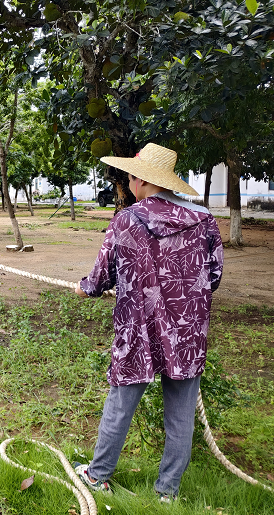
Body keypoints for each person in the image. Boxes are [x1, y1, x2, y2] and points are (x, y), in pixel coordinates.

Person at [73, 143, 224, 502]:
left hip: (138, 329)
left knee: (121, 402)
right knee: (181, 414)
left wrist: (85, 287)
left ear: (141, 180)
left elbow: (101, 276)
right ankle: (167, 492)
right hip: (187, 332)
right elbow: (215, 275)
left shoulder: (126, 220)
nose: (128, 181)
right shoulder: (204, 220)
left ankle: (98, 476)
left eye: (130, 176)